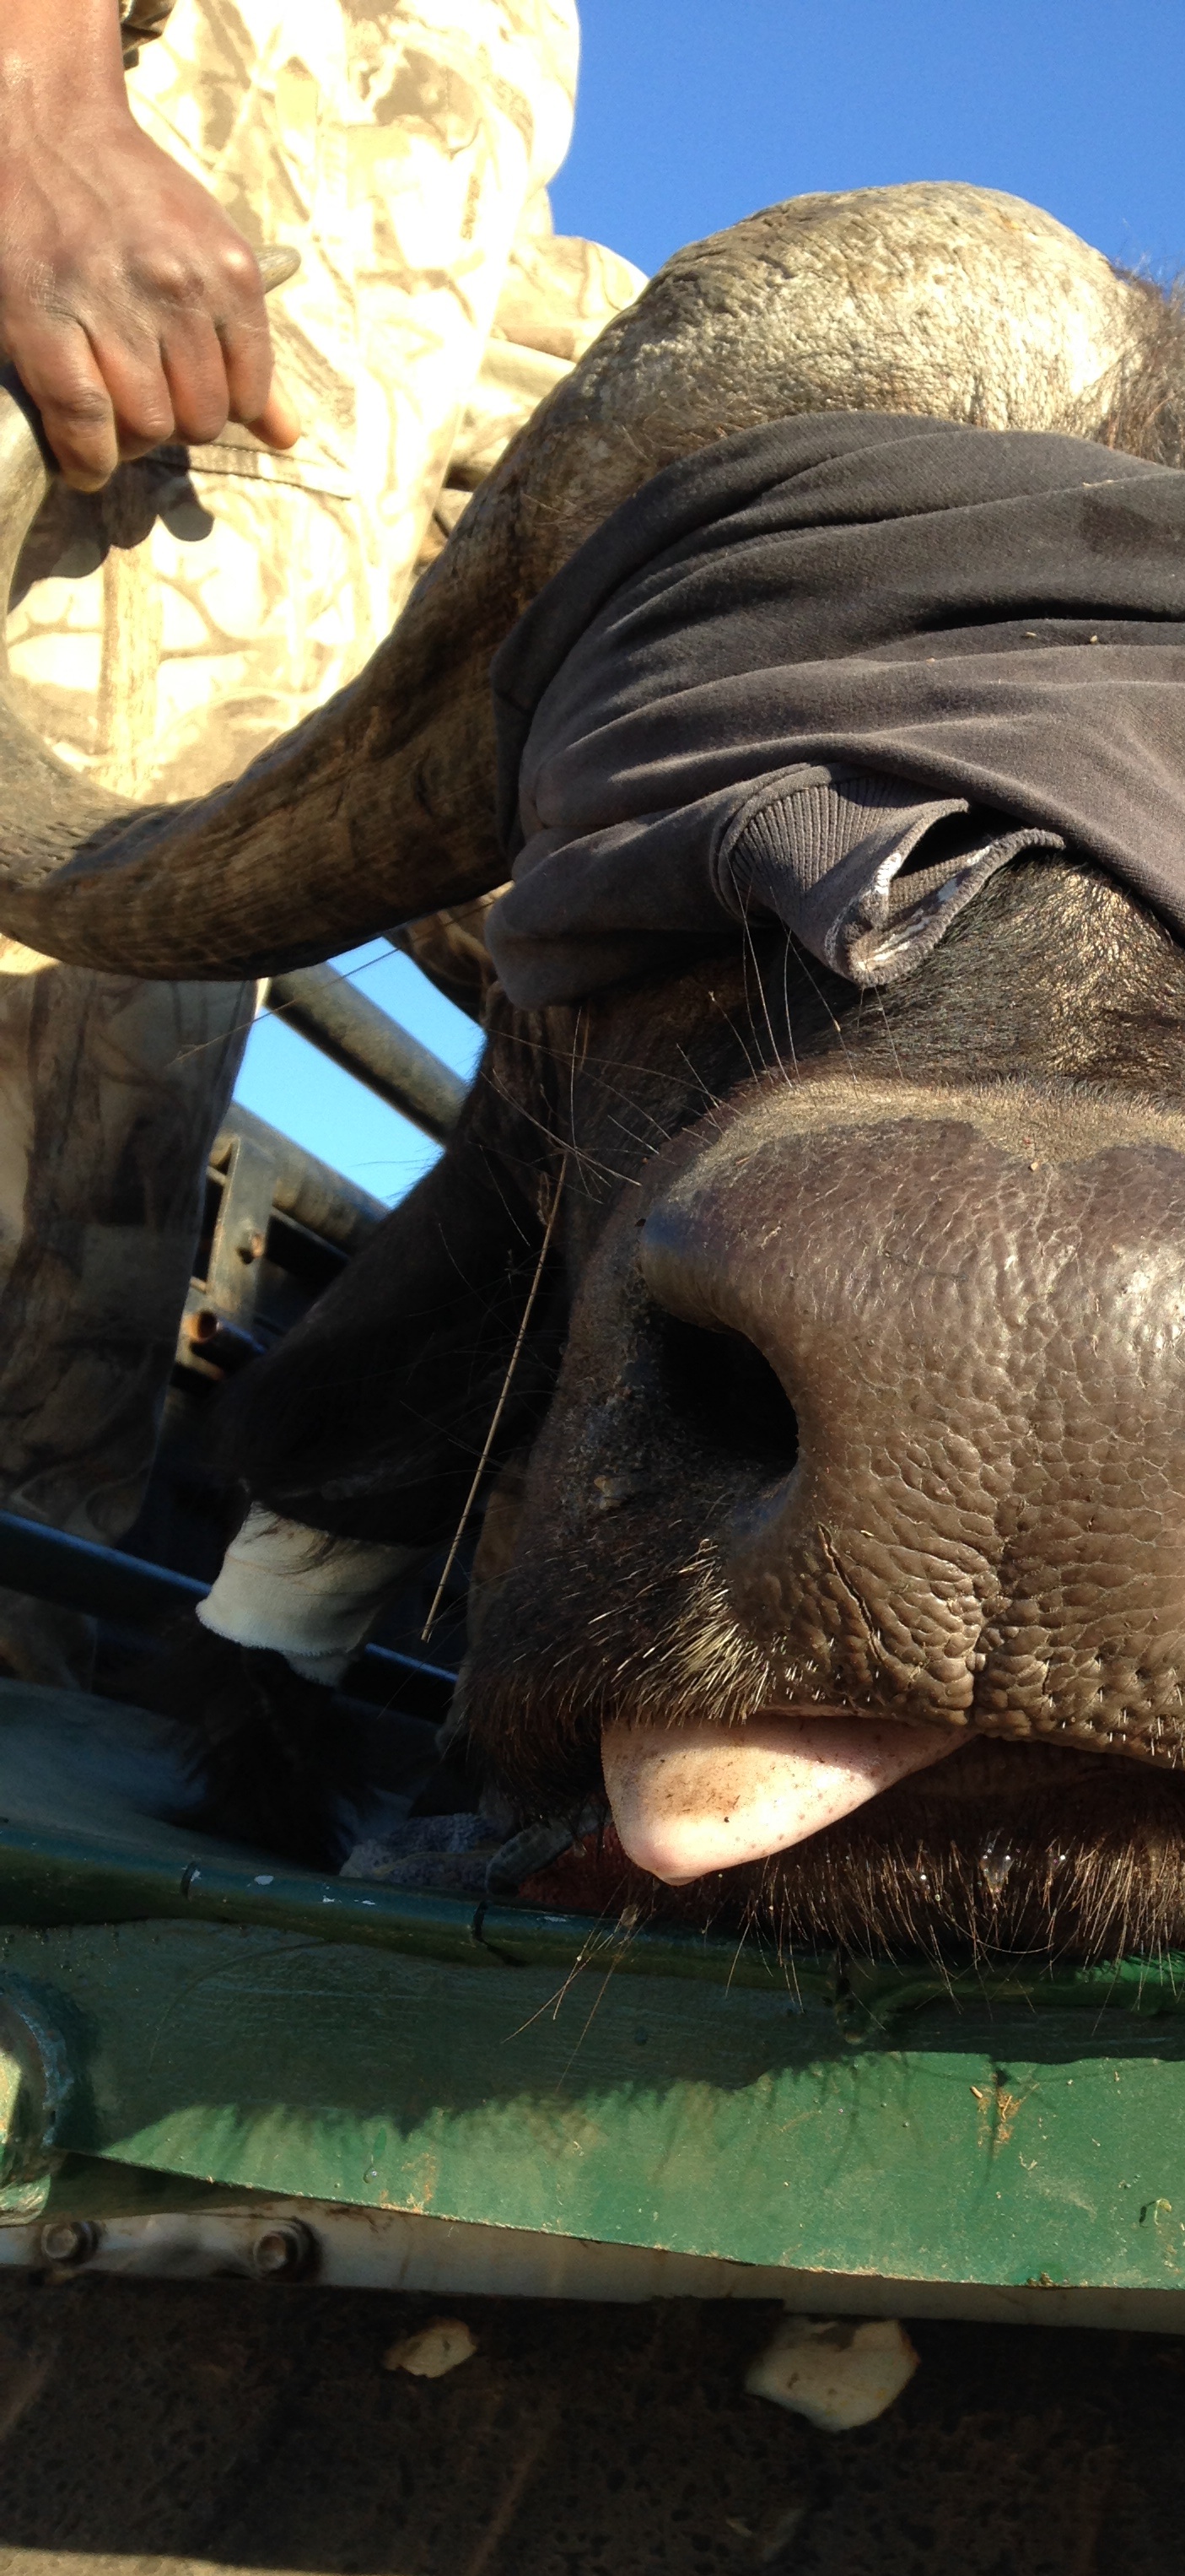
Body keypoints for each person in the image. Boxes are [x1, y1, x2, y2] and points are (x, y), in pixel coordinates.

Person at [0, 0, 641, 1680]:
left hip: (166, 879)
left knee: (46, 1457)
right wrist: (40, 117)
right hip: (37, 589)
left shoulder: (523, 38)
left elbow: (443, 327)